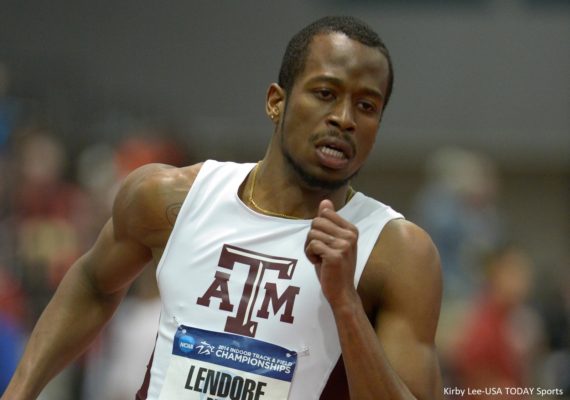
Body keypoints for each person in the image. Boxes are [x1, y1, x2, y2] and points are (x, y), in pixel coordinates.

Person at [2, 16, 443, 400]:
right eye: (326, 93)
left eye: (366, 106)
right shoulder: (171, 198)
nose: (345, 117)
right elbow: (94, 283)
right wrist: (19, 392)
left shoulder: (396, 251)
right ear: (276, 101)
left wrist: (345, 304)